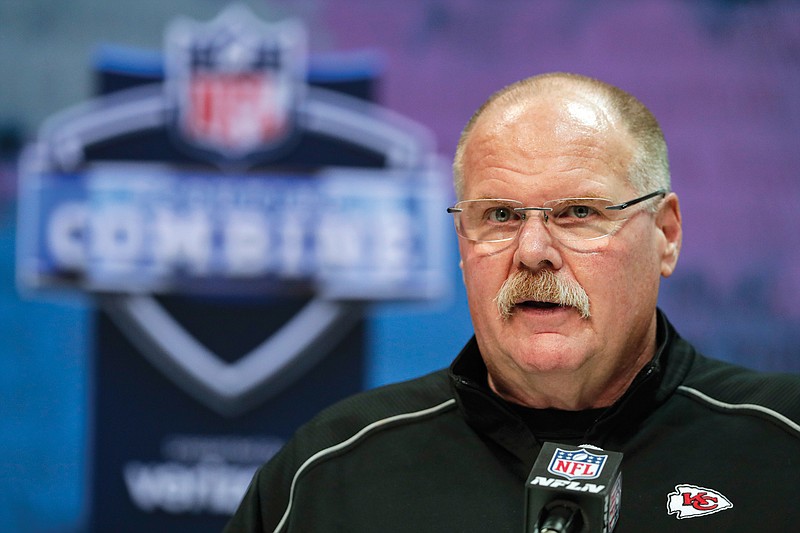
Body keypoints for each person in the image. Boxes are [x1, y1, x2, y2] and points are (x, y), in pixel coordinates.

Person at [224, 72, 800, 532]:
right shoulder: (332, 471)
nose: (532, 252)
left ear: (665, 234)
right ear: (462, 241)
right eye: (499, 215)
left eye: (578, 213)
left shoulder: (782, 449)